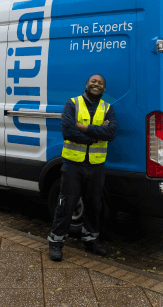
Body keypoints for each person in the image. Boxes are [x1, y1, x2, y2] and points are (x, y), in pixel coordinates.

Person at [48, 74, 117, 261]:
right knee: (66, 205)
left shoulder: (107, 108)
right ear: (86, 84)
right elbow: (68, 131)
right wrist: (96, 135)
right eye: (93, 81)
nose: (96, 84)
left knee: (94, 205)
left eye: (100, 83)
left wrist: (85, 129)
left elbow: (110, 133)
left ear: (104, 88)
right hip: (73, 165)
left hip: (96, 166)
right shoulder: (73, 103)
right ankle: (56, 243)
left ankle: (90, 241)